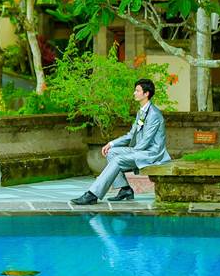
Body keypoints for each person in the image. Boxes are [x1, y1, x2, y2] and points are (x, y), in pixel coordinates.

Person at [71, 78, 171, 206]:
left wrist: (127, 154)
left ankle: (92, 194)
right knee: (111, 152)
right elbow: (131, 135)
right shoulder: (141, 111)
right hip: (141, 150)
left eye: (137, 91)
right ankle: (125, 189)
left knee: (118, 159)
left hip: (152, 153)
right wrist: (111, 143)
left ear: (146, 94)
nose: (134, 93)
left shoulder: (154, 115)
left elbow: (145, 142)